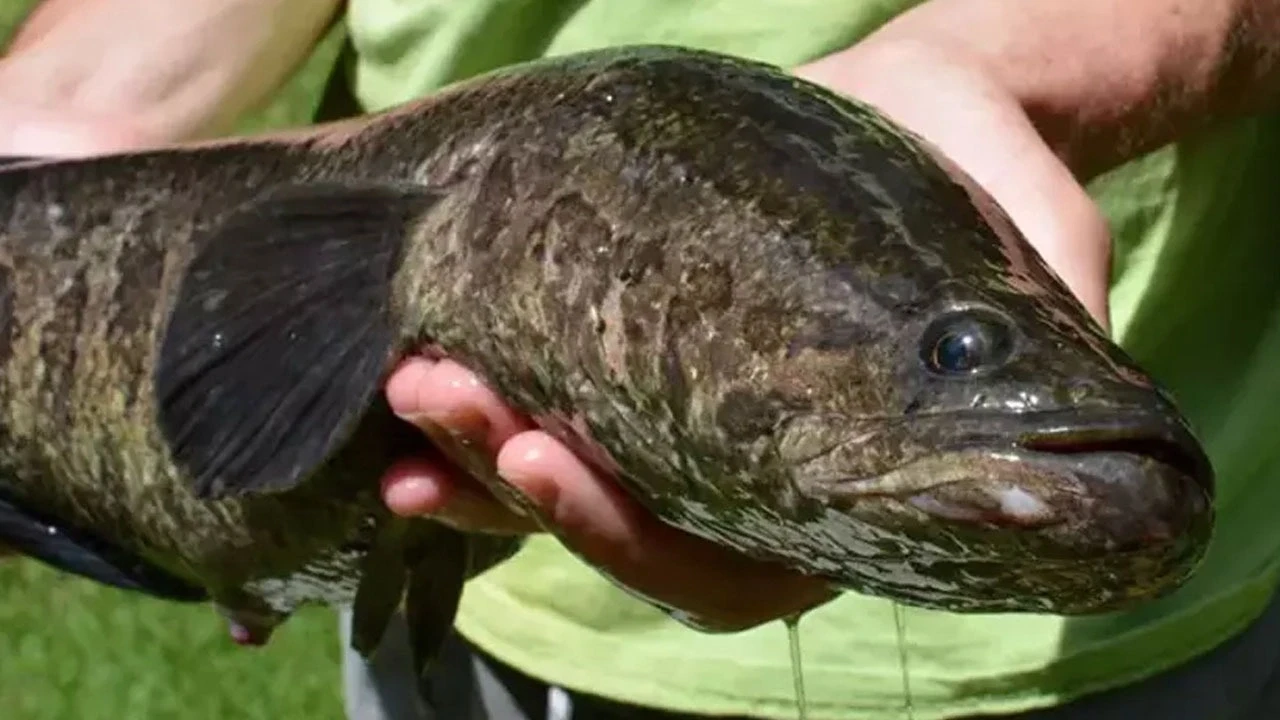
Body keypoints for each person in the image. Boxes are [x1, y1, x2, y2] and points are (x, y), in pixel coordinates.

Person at [4, 0, 1280, 718]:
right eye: (955, 352)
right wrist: (60, 102)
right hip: (474, 619)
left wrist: (1011, 74)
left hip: (1142, 669)